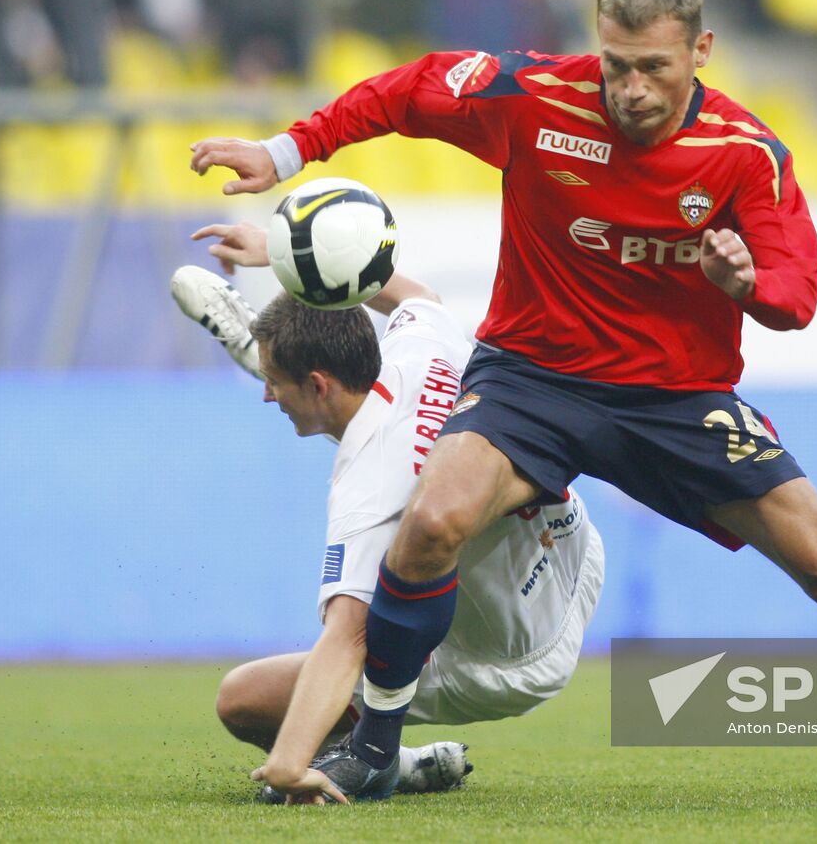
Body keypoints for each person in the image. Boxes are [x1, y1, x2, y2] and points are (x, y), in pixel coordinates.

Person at [189, 0, 817, 796]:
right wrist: (289, 148)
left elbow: (798, 292)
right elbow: (413, 89)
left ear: (700, 51)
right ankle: (374, 749)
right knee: (432, 520)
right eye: (616, 65)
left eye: (654, 69)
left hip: (677, 398)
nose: (630, 88)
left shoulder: (746, 155)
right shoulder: (535, 99)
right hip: (532, 378)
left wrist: (748, 288)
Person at [171, 258, 604, 804]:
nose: (266, 396)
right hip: (573, 548)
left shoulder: (367, 491)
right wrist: (290, 253)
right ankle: (408, 763)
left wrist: (286, 761)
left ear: (318, 383)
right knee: (415, 472)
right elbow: (414, 292)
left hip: (511, 657)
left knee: (243, 700)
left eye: (274, 382)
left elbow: (349, 635)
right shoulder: (416, 344)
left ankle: (378, 761)